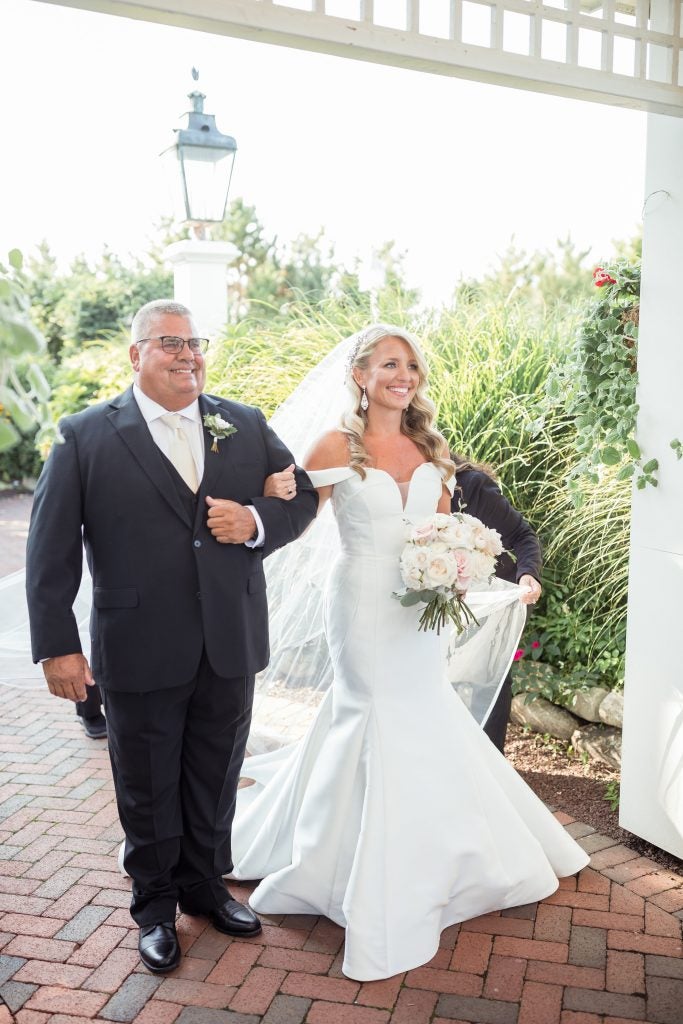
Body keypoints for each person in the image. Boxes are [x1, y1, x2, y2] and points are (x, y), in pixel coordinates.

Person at [228, 323, 589, 982]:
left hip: (422, 607)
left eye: (412, 366)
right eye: (390, 364)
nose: (404, 376)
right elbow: (296, 515)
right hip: (362, 602)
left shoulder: (430, 445)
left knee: (423, 710)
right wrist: (266, 501)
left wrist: (462, 562)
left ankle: (444, 854)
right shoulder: (336, 444)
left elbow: (442, 526)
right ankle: (346, 867)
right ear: (361, 375)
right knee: (369, 712)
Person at [25, 299, 318, 975]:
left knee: (216, 771)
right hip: (137, 641)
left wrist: (254, 521)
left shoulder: (243, 423)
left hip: (229, 636)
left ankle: (205, 887)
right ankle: (154, 907)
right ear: (136, 354)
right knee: (147, 781)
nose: (188, 355)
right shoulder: (83, 435)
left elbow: (300, 497)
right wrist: (58, 646)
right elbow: (49, 549)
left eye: (194, 343)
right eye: (170, 343)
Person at [452, 457, 542, 751]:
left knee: (490, 680)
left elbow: (522, 535)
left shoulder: (471, 487)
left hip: (490, 602)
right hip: (435, 602)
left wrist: (528, 574)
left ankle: (490, 760)